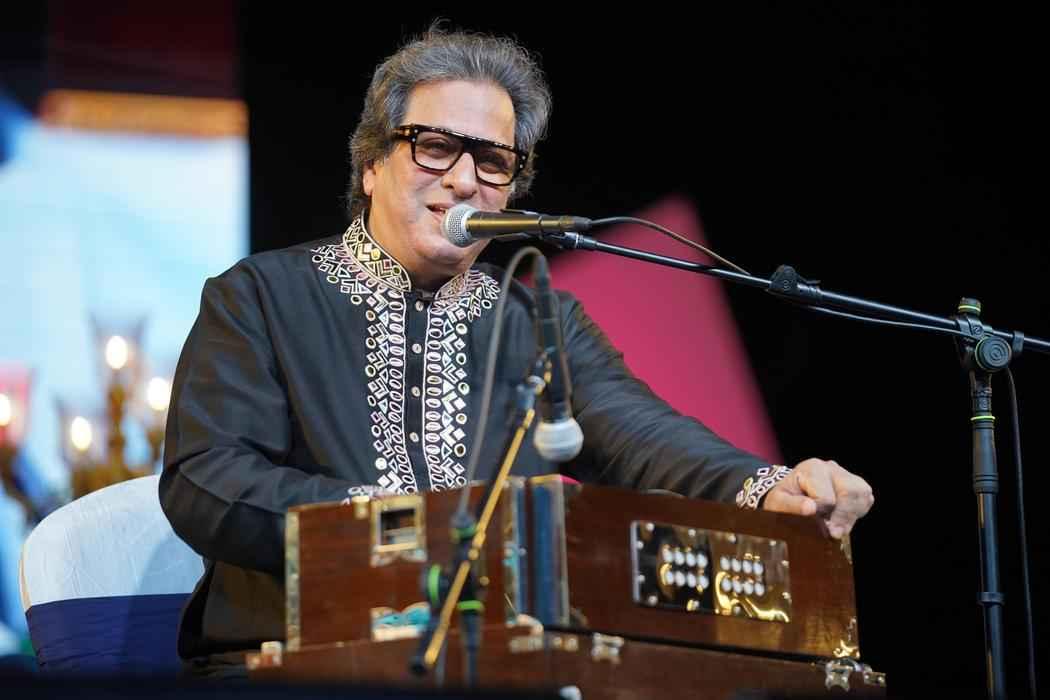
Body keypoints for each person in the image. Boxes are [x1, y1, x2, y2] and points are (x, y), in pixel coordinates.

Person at [159, 25, 873, 678]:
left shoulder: (536, 317)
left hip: (498, 665)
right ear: (372, 163)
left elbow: (641, 433)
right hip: (297, 663)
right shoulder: (260, 296)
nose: (464, 180)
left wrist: (767, 486)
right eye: (434, 146)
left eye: (493, 161)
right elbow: (207, 480)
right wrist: (395, 528)